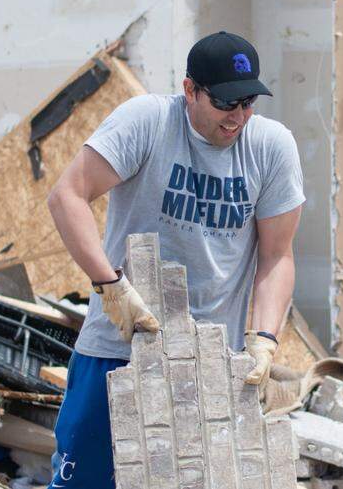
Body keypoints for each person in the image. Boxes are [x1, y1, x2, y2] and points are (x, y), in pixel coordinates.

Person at [46, 31, 305, 488]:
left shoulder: (270, 147)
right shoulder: (148, 121)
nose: (238, 117)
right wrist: (110, 286)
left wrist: (264, 339)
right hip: (118, 350)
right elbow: (67, 196)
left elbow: (277, 257)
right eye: (226, 103)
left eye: (248, 103)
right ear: (190, 90)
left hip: (207, 364)